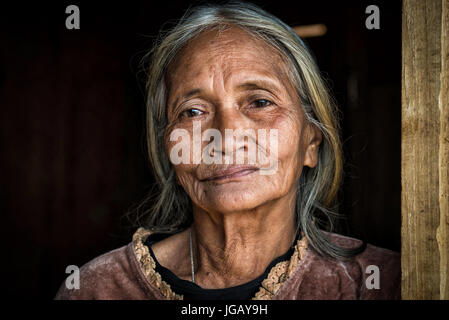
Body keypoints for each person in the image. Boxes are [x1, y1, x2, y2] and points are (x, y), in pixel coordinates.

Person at [55, 1, 400, 300]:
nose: (227, 135)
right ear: (169, 148)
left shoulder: (384, 284)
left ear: (311, 141)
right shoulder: (97, 288)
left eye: (260, 102)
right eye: (192, 112)